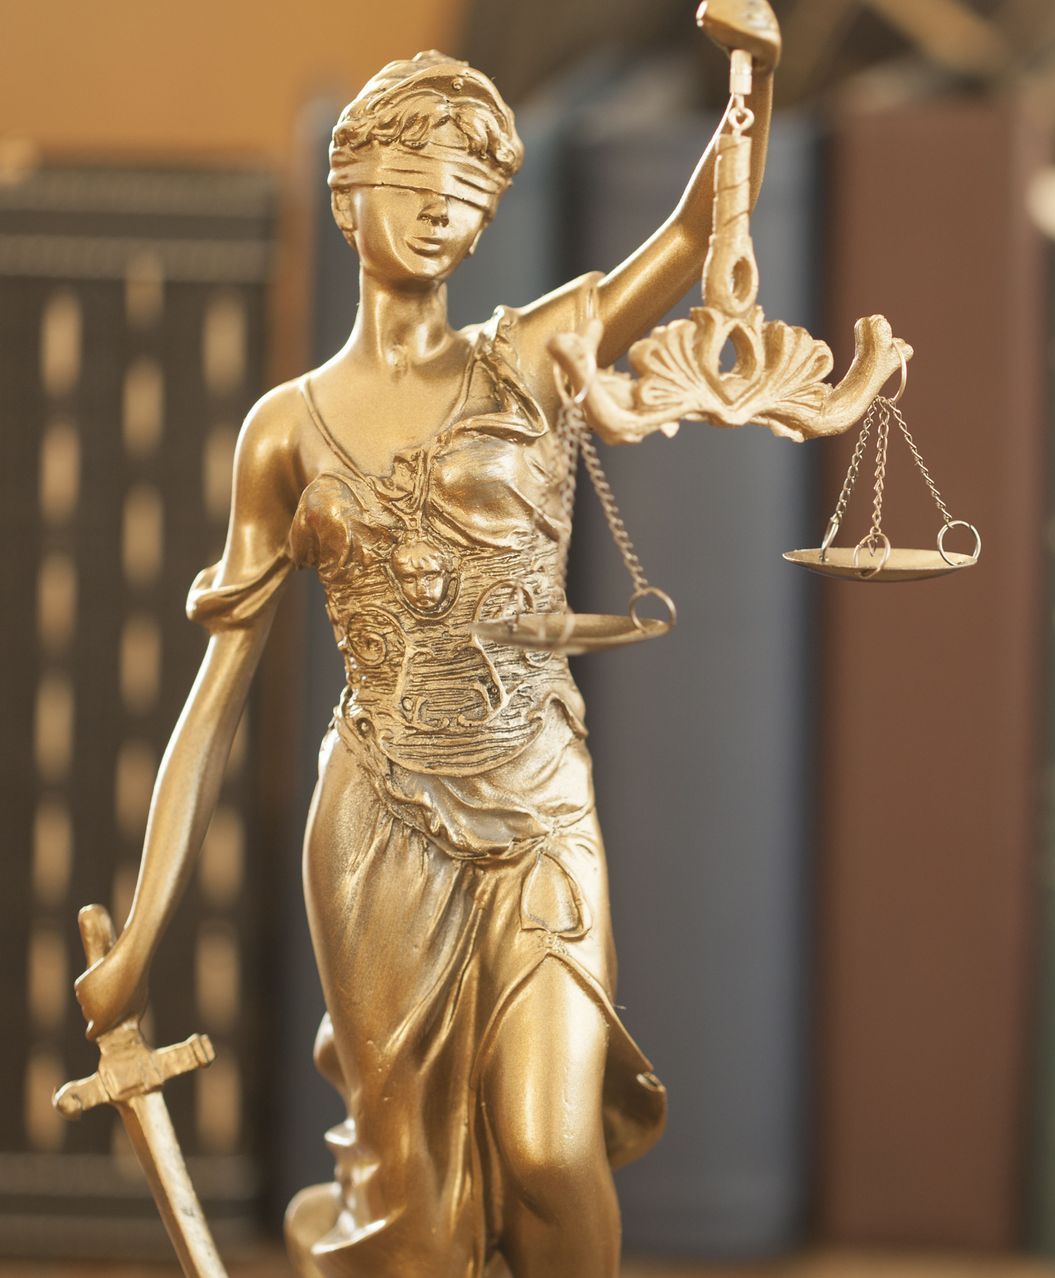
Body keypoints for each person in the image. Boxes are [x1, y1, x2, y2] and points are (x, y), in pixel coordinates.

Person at [73, 4, 782, 1273]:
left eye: (471, 192)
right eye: (416, 183)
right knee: (422, 1212)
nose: (447, 212)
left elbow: (693, 233)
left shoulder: (533, 357)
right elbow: (215, 699)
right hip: (380, 824)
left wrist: (749, 82)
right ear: (350, 195)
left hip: (540, 803)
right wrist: (137, 939)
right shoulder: (283, 431)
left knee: (554, 1150)